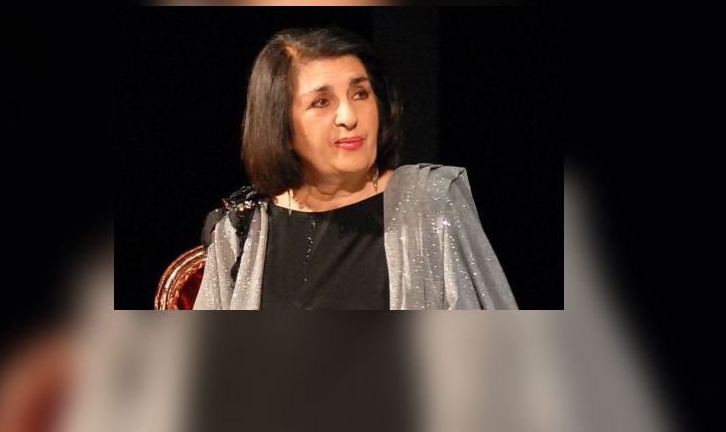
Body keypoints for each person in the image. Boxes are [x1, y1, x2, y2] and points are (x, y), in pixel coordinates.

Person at [194, 26, 517, 310]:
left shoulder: (429, 201)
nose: (349, 116)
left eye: (360, 93)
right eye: (321, 102)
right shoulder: (241, 229)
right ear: (281, 128)